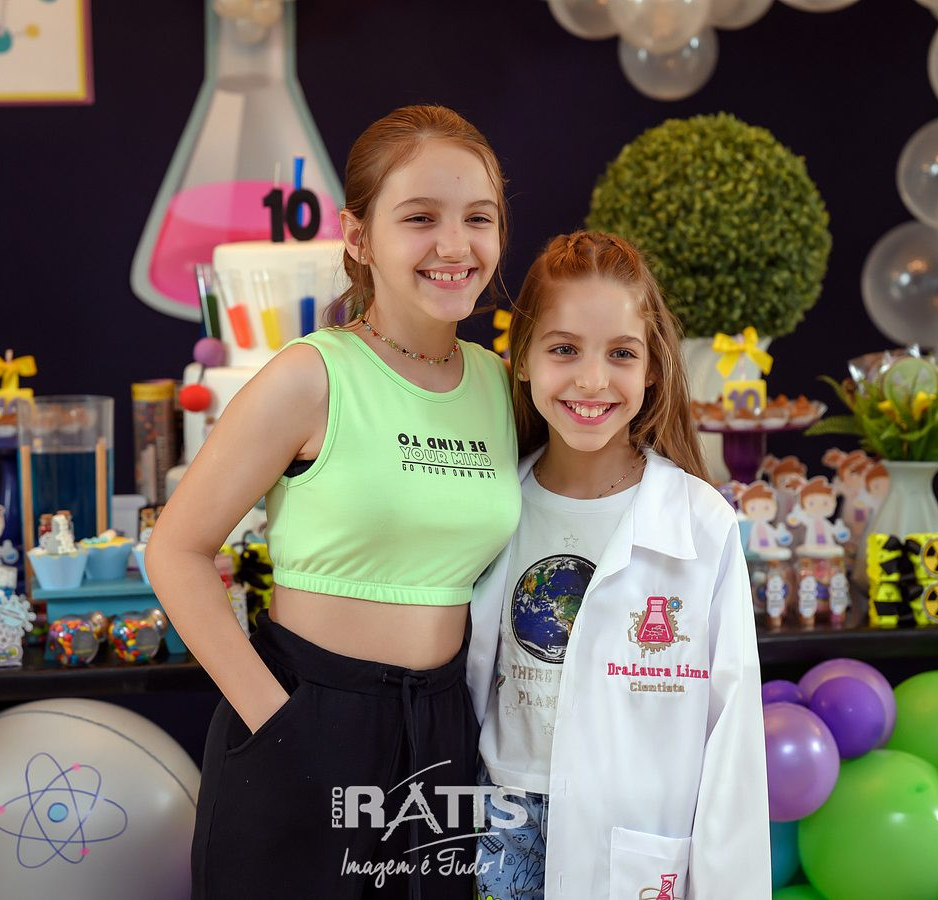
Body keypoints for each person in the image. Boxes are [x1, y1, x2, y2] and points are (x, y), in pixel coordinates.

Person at [145, 105, 521, 899]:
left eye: (477, 218)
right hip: (304, 718)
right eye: (419, 217)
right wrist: (277, 721)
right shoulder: (310, 376)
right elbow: (175, 550)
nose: (455, 245)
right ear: (357, 236)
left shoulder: (499, 385)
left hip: (444, 734)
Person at [466, 231, 770, 900]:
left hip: (632, 844)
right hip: (502, 829)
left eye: (621, 353)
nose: (592, 380)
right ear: (521, 358)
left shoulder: (700, 525)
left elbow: (732, 743)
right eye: (563, 349)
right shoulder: (489, 509)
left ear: (652, 368)